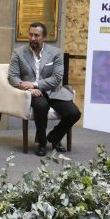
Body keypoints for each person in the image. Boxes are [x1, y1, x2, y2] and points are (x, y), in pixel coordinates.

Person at [8, 22, 81, 156]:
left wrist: (35, 84)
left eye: (37, 35)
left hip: (54, 91)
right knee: (41, 106)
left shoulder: (55, 53)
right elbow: (12, 77)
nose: (33, 38)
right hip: (34, 94)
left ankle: (54, 137)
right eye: (31, 35)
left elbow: (57, 77)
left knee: (74, 113)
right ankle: (42, 143)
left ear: (44, 37)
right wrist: (27, 88)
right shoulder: (18, 53)